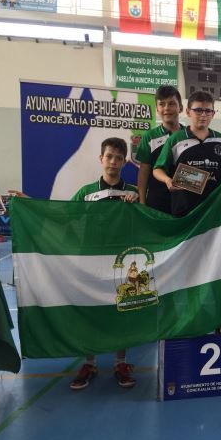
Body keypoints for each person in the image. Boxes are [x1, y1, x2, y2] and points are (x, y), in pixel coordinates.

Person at [153, 90, 221, 334]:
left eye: (208, 110)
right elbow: (157, 169)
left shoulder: (220, 141)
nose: (203, 115)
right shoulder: (176, 139)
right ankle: (186, 317)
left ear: (213, 113)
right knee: (187, 266)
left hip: (215, 216)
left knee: (218, 265)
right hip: (186, 215)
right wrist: (168, 180)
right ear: (187, 111)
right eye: (198, 110)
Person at [69, 137, 139, 390]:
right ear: (101, 159)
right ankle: (89, 363)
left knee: (122, 311)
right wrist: (28, 202)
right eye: (109, 156)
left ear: (124, 162)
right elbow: (60, 215)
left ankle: (121, 362)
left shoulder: (133, 192)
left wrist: (137, 204)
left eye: (119, 158)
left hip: (122, 262)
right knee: (91, 312)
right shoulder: (86, 193)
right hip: (91, 262)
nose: (113, 162)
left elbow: (148, 222)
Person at [135, 85, 183, 214]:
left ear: (181, 108)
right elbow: (144, 172)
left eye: (172, 104)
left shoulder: (189, 135)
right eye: (162, 104)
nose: (167, 108)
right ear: (157, 109)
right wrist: (142, 202)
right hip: (157, 202)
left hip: (185, 201)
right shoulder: (149, 137)